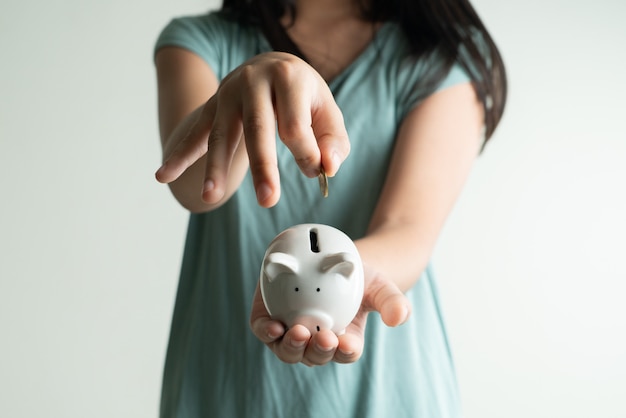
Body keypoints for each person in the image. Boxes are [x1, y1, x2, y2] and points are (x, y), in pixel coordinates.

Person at [153, 0, 506, 416]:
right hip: (228, 388)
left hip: (387, 394)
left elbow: (408, 228)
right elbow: (197, 187)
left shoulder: (437, 56)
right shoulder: (200, 42)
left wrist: (350, 278)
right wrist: (249, 95)